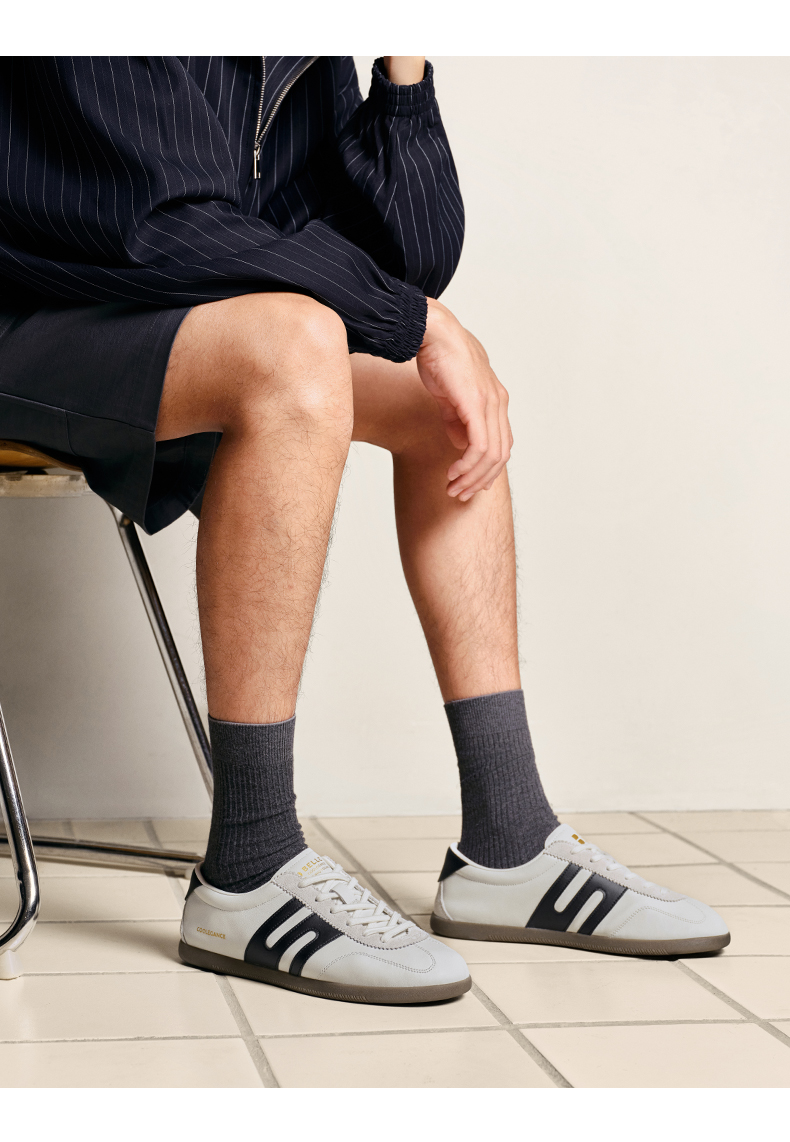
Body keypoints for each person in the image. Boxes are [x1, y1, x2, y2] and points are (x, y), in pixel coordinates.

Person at [0, 55, 729, 1005]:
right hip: (31, 309)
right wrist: (413, 320)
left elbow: (404, 263)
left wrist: (403, 72)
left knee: (440, 403)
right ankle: (249, 865)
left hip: (140, 319)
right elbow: (153, 224)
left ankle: (508, 842)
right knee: (296, 346)